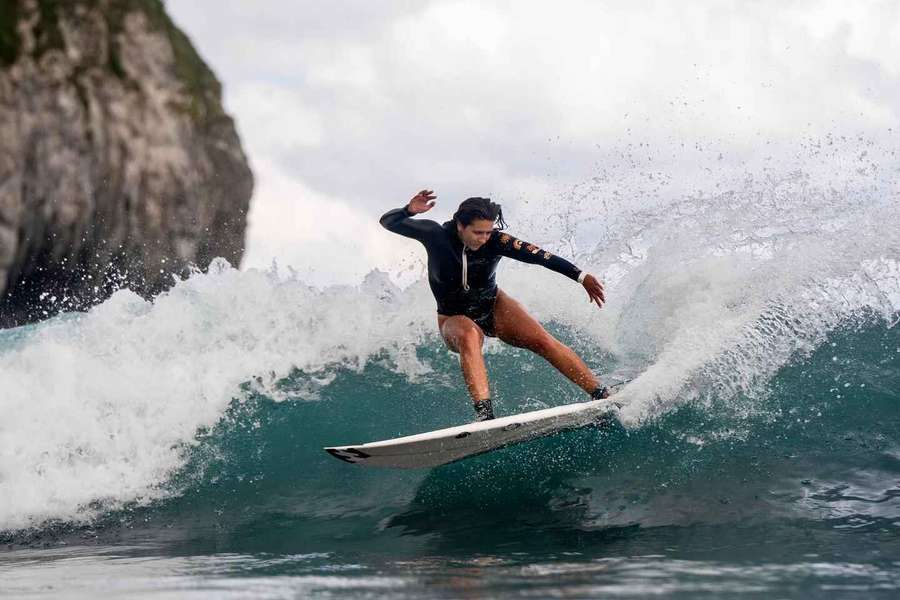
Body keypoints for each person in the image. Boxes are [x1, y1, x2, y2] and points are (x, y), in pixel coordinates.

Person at [380, 190, 609, 421]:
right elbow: (388, 222)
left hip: (493, 305)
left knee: (542, 340)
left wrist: (580, 277)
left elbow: (540, 256)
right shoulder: (435, 234)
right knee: (469, 334)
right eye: (478, 232)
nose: (484, 238)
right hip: (453, 317)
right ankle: (485, 417)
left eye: (488, 232)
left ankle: (601, 394)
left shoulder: (498, 241)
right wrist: (408, 211)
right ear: (460, 225)